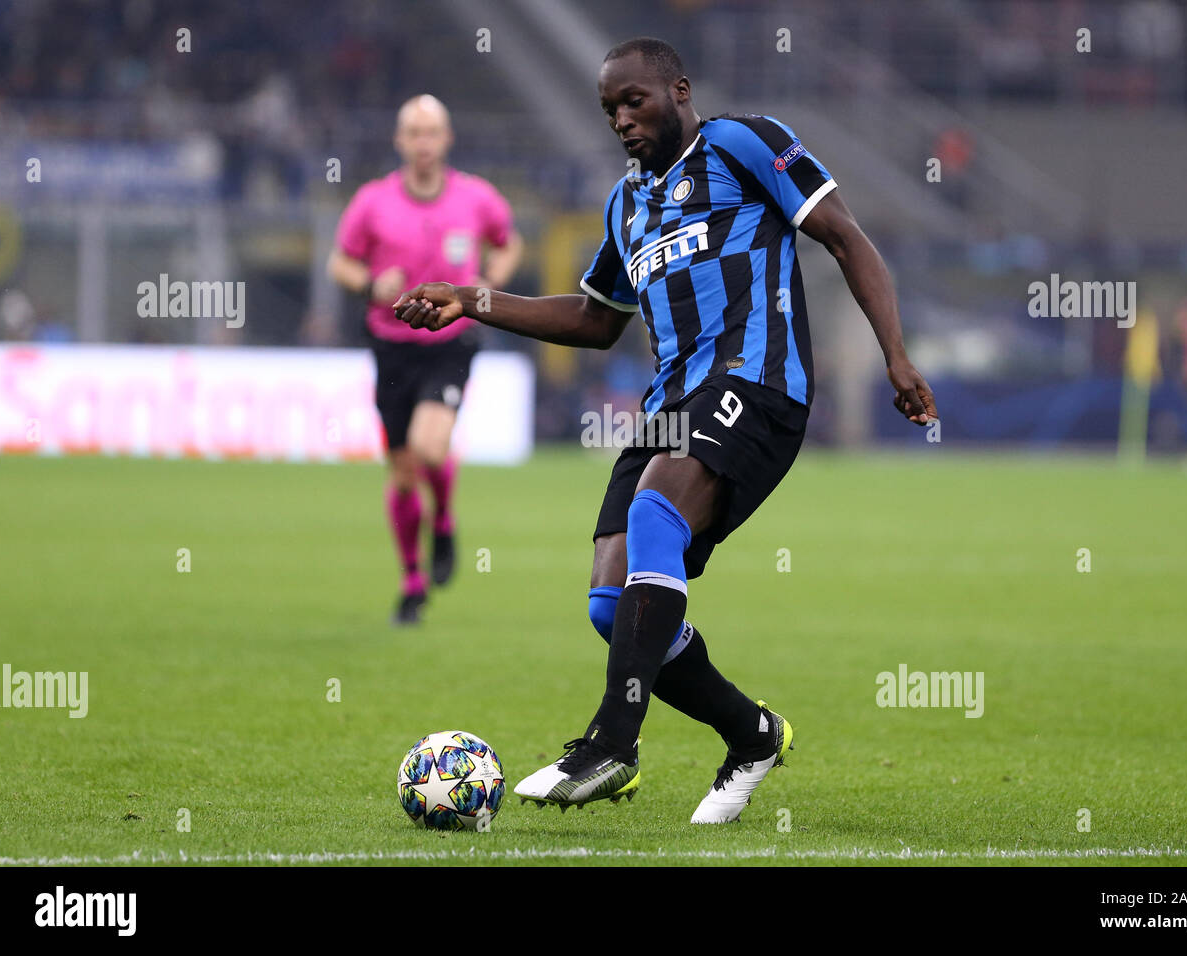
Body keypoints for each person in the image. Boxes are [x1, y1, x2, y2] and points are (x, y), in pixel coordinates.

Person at [393, 39, 936, 822]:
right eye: (609, 109)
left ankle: (612, 743)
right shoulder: (626, 204)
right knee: (613, 609)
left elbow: (846, 236)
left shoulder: (746, 144)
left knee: (656, 513)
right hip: (671, 405)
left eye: (634, 101)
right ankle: (752, 734)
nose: (621, 119)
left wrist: (896, 356)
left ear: (678, 91)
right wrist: (471, 299)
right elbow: (593, 319)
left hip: (758, 383)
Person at [329, 94, 523, 625]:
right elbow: (339, 263)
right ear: (400, 141)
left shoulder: (477, 199)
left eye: (431, 132)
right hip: (392, 347)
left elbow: (508, 245)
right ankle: (412, 581)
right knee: (401, 475)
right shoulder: (372, 202)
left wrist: (490, 282)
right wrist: (371, 284)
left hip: (450, 343)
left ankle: (444, 524)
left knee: (428, 449)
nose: (422, 142)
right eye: (413, 133)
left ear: (446, 139)